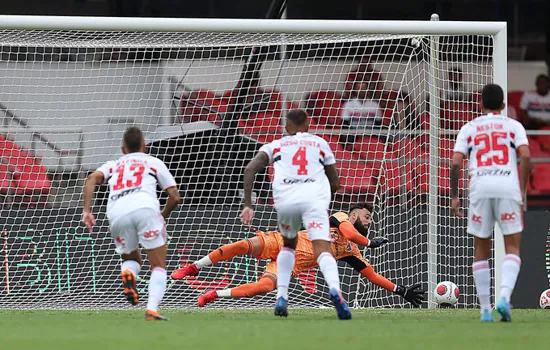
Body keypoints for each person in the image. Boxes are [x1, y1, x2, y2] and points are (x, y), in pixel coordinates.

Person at [171, 204, 425, 308]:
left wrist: (400, 290)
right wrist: (369, 242)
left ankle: (215, 294)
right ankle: (194, 266)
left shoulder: (351, 251)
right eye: (367, 217)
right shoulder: (342, 219)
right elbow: (348, 231)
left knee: (263, 288)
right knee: (239, 246)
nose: (369, 222)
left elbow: (371, 275)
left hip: (289, 264)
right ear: (356, 215)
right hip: (283, 241)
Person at [239, 108, 350, 319]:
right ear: (308, 125)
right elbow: (335, 181)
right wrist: (328, 191)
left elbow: (250, 169)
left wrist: (248, 204)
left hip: (287, 201)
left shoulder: (276, 145)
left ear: (286, 127)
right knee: (322, 248)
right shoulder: (320, 143)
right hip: (314, 201)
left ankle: (282, 296)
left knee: (288, 245)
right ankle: (335, 290)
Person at [82, 127, 181, 321]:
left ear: (123, 148)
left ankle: (128, 273)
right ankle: (151, 309)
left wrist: (87, 210)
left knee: (132, 259)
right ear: (144, 146)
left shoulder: (114, 164)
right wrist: (163, 215)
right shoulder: (153, 162)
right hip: (145, 208)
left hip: (117, 212)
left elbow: (91, 179)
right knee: (158, 265)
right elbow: (175, 196)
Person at [450, 84, 531, 322]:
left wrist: (455, 197)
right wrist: (522, 190)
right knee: (513, 248)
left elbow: (455, 163)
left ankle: (485, 309)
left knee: (481, 249)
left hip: (480, 187)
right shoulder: (513, 125)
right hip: (507, 187)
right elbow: (525, 155)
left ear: (481, 105)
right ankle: (504, 298)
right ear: (504, 106)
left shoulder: (470, 127)